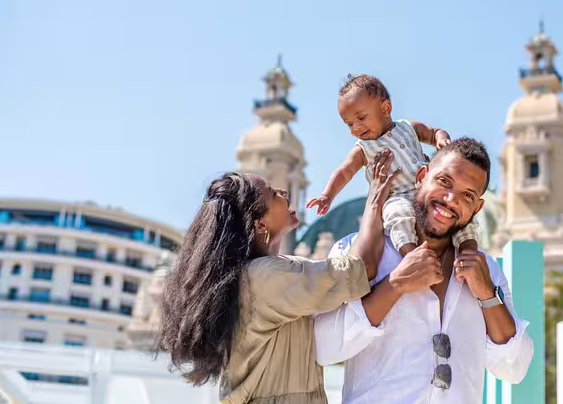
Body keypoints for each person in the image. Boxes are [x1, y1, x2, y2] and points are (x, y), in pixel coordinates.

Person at [155, 150, 398, 404]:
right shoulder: (265, 279)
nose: (283, 193)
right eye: (272, 194)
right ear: (260, 225)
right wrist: (375, 199)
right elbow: (361, 269)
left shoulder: (260, 275)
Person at [314, 137, 534, 403]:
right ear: (421, 176)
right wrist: (395, 285)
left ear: (477, 209)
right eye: (444, 182)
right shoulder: (360, 251)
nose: (451, 200)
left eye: (467, 195)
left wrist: (487, 296)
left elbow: (515, 368)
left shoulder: (486, 270)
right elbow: (322, 347)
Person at [307, 74, 479, 257]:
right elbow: (345, 171)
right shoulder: (363, 149)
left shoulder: (407, 127)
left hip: (428, 189)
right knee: (397, 216)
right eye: (349, 124)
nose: (356, 128)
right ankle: (411, 254)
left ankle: (468, 250)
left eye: (361, 118)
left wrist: (442, 139)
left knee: (458, 211)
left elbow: (433, 132)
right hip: (398, 197)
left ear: (386, 108)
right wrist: (327, 195)